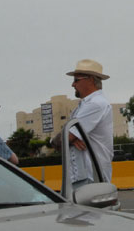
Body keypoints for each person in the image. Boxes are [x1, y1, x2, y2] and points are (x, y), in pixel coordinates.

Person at [54, 59, 113, 188]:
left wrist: (68, 137)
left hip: (90, 178)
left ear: (91, 80)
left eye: (76, 80)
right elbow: (63, 139)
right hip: (84, 177)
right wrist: (70, 138)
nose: (73, 85)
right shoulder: (84, 106)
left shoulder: (95, 104)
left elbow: (61, 140)